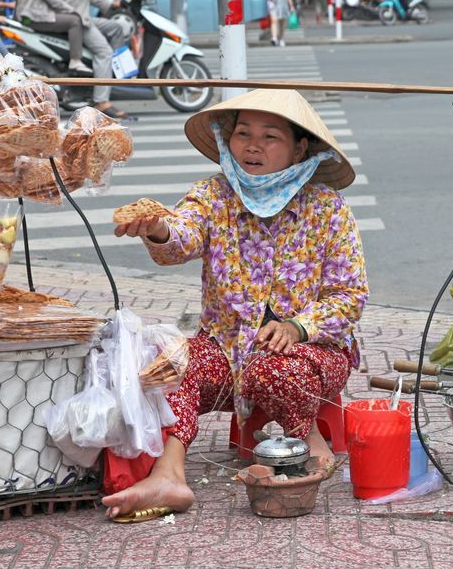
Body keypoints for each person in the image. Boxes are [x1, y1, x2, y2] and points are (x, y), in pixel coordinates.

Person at [104, 88, 367, 519]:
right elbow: (181, 237)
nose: (252, 145)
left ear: (300, 147)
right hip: (227, 351)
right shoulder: (212, 195)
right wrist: (157, 229)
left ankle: (308, 440)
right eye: (243, 133)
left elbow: (350, 296)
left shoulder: (327, 208)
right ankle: (169, 476)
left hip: (313, 353)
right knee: (170, 364)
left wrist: (297, 328)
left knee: (274, 366)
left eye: (270, 136)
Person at [50, 0, 151, 119]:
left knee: (114, 28)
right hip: (77, 19)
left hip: (80, 15)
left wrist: (108, 3)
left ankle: (120, 73)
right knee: (104, 52)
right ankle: (101, 101)